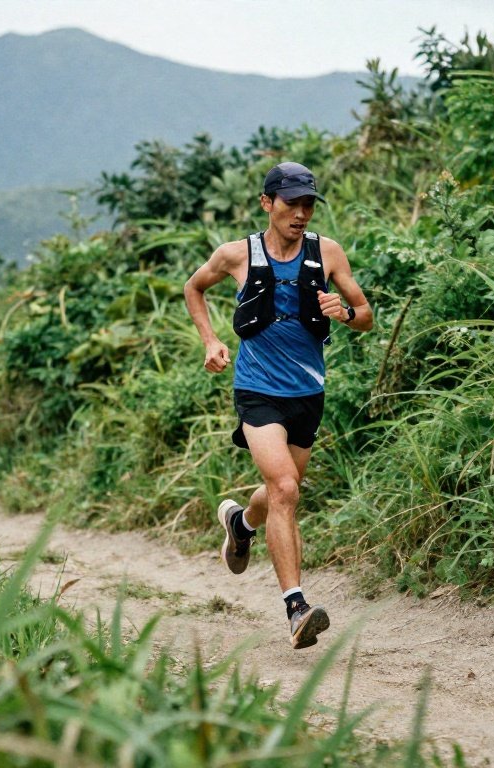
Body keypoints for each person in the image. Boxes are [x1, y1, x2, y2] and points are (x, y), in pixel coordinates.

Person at [183, 161, 373, 649]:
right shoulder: (236, 255)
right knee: (285, 488)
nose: (301, 213)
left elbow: (366, 315)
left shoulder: (327, 252)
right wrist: (210, 340)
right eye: (292, 204)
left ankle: (241, 523)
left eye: (308, 204)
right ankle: (296, 609)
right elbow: (193, 288)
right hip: (257, 390)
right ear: (268, 203)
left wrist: (343, 312)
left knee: (279, 493)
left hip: (307, 394)